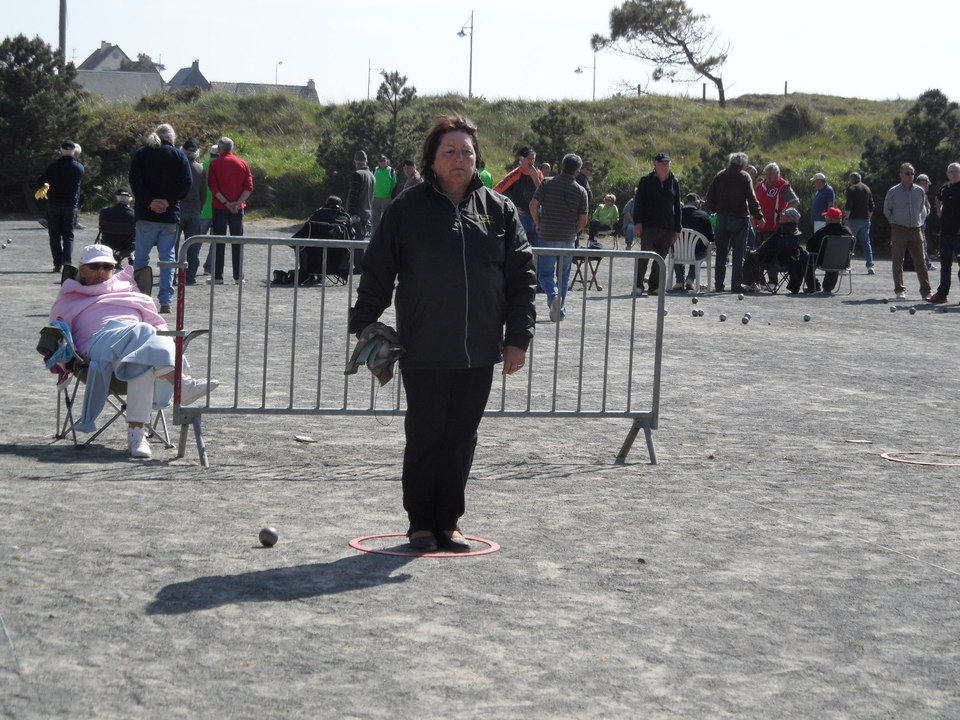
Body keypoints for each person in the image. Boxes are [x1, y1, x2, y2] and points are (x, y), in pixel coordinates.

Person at [349, 114, 536, 554]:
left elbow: (522, 279)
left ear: (477, 160)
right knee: (426, 435)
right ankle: (419, 524)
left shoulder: (500, 210)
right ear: (432, 160)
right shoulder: (406, 209)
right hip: (424, 347)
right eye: (450, 152)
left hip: (479, 350)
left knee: (460, 439)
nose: (459, 159)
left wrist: (518, 338)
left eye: (467, 152)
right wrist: (363, 324)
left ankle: (449, 522)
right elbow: (377, 271)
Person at [48, 244, 218, 458]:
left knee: (142, 358)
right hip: (96, 346)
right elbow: (57, 330)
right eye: (94, 266)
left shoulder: (131, 291)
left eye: (107, 267)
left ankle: (137, 435)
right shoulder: (71, 297)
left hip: (134, 351)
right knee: (144, 332)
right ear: (82, 269)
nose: (101, 271)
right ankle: (180, 383)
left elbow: (159, 326)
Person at [129, 123, 193, 314]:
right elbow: (186, 183)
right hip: (169, 215)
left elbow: (135, 181)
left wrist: (150, 201)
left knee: (141, 257)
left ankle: (139, 297)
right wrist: (167, 200)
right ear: (172, 138)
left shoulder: (141, 153)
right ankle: (166, 301)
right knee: (168, 259)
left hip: (145, 214)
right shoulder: (179, 155)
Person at [529, 153, 588, 322]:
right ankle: (560, 311)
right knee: (563, 276)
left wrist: (539, 223)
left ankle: (553, 295)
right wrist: (574, 232)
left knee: (544, 275)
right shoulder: (581, 191)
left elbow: (533, 206)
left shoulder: (547, 183)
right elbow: (583, 220)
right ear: (577, 172)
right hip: (568, 238)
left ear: (562, 166)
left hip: (547, 235)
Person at [705, 152, 763, 294]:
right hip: (740, 218)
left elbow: (709, 196)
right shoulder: (744, 176)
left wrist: (716, 209)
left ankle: (719, 285)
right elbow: (751, 198)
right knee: (738, 254)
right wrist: (759, 216)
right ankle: (736, 285)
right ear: (743, 164)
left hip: (722, 218)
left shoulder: (720, 175)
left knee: (721, 253)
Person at [632, 152, 681, 296]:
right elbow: (639, 203)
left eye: (667, 163)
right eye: (662, 163)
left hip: (668, 227)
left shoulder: (674, 182)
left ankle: (654, 286)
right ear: (655, 164)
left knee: (660, 258)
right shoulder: (646, 180)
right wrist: (638, 223)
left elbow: (677, 206)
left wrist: (678, 228)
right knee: (645, 256)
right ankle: (638, 285)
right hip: (649, 225)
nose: (665, 166)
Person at [207, 136, 254, 285]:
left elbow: (214, 188)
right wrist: (237, 204)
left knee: (219, 241)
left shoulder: (215, 164)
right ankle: (238, 276)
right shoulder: (243, 163)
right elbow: (249, 187)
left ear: (219, 149)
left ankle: (218, 276)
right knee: (237, 241)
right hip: (238, 208)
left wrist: (227, 203)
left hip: (220, 207)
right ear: (232, 148)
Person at [883, 162, 931, 300]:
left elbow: (923, 209)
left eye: (912, 174)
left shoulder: (919, 191)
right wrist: (895, 222)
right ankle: (900, 290)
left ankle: (926, 291)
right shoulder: (893, 192)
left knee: (920, 261)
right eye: (907, 173)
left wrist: (919, 222)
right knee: (898, 261)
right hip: (899, 229)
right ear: (901, 175)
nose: (910, 176)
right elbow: (887, 210)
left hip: (916, 229)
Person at [38, 140, 85, 272]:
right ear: (74, 151)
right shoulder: (79, 167)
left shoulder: (54, 166)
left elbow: (40, 181)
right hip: (70, 204)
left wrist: (47, 185)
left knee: (54, 235)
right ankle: (67, 261)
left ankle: (57, 264)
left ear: (61, 150)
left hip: (53, 203)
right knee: (68, 235)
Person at [741, 207, 806, 294]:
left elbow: (768, 244)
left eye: (784, 215)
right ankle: (757, 283)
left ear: (789, 219)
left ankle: (752, 284)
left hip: (776, 260)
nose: (781, 216)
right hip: (786, 261)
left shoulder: (782, 230)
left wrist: (758, 251)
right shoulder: (795, 231)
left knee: (751, 256)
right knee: (755, 255)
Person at [494, 146, 543, 250]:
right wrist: (512, 207)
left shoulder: (538, 174)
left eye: (533, 159)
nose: (531, 162)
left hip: (536, 218)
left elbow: (545, 194)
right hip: (521, 217)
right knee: (521, 249)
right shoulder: (515, 174)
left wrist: (536, 179)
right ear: (521, 159)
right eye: (529, 159)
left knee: (537, 251)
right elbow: (495, 192)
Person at [926, 163, 960, 303]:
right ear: (947, 174)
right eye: (951, 171)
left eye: (956, 171)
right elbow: (937, 198)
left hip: (958, 233)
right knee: (945, 266)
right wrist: (940, 212)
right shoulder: (945, 188)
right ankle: (941, 295)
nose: (953, 174)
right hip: (945, 232)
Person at [803, 206, 851, 293]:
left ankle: (813, 286)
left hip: (823, 261)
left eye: (826, 217)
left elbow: (809, 246)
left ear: (831, 219)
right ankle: (828, 287)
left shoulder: (823, 231)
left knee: (805, 260)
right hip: (842, 262)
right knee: (836, 258)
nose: (825, 219)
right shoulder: (848, 232)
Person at [178, 140, 205, 285]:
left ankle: (173, 275)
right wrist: (199, 208)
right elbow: (204, 193)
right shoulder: (200, 169)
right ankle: (190, 277)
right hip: (194, 210)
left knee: (173, 246)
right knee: (193, 245)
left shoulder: (177, 167)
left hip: (178, 209)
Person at [674, 193, 713, 291]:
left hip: (678, 251)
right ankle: (690, 279)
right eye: (700, 203)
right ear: (696, 203)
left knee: (676, 248)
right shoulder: (704, 216)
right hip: (697, 253)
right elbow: (710, 238)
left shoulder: (675, 214)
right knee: (698, 248)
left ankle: (679, 281)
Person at [754, 163, 799, 245]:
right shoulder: (761, 185)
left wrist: (783, 213)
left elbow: (795, 201)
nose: (768, 176)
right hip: (759, 227)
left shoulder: (783, 186)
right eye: (766, 174)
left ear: (777, 174)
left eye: (770, 174)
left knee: (770, 254)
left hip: (774, 230)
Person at [844, 172, 875, 275]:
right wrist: (868, 218)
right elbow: (871, 206)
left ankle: (845, 264)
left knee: (848, 242)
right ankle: (870, 266)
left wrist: (846, 219)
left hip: (854, 220)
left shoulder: (851, 189)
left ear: (852, 179)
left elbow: (849, 205)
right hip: (865, 219)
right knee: (866, 243)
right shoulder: (867, 188)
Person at [96, 187, 136, 264]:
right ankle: (129, 255)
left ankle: (119, 256)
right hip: (128, 247)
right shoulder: (134, 214)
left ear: (116, 198)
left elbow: (101, 228)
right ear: (130, 199)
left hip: (108, 245)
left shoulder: (104, 212)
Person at [199, 144, 219, 277]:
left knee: (195, 241)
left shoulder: (202, 167)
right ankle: (209, 267)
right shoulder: (222, 167)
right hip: (218, 209)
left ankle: (189, 265)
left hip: (202, 210)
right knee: (215, 243)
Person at [346, 150, 375, 239]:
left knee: (355, 248)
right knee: (361, 243)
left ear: (355, 162)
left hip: (356, 217)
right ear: (366, 161)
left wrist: (351, 213)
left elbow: (353, 196)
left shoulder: (357, 174)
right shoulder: (372, 176)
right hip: (366, 215)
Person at [915, 173, 937, 271]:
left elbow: (928, 207)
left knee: (923, 243)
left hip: (922, 222)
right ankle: (926, 263)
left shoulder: (923, 194)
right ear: (921, 183)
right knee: (921, 243)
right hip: (918, 223)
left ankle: (926, 262)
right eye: (926, 183)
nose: (927, 186)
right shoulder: (916, 193)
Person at [371, 154, 397, 232]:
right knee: (375, 219)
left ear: (387, 161)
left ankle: (386, 235)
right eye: (380, 161)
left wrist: (391, 196)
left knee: (387, 218)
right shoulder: (374, 170)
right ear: (378, 162)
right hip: (375, 198)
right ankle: (374, 237)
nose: (382, 162)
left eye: (384, 160)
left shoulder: (391, 171)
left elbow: (394, 184)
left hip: (387, 198)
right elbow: (371, 182)